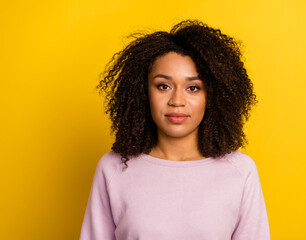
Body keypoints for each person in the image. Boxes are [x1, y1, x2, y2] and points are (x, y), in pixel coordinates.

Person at [80, 20, 270, 240]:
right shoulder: (113, 168)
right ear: (143, 92)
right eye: (163, 86)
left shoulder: (240, 171)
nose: (177, 101)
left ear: (212, 96)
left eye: (193, 88)